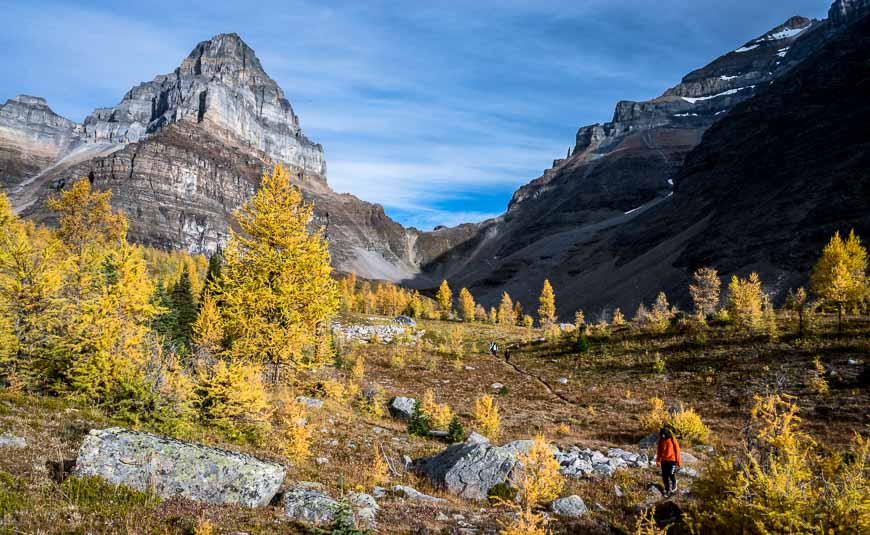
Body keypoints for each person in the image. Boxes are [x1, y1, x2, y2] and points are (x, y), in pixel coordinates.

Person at [656, 425, 682, 497]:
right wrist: (658, 461)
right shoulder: (660, 440)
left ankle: (674, 484)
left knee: (671, 474)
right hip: (664, 460)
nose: (663, 436)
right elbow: (659, 451)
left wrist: (679, 461)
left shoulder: (672, 439)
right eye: (662, 435)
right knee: (664, 476)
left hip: (672, 460)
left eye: (664, 434)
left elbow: (678, 451)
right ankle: (667, 490)